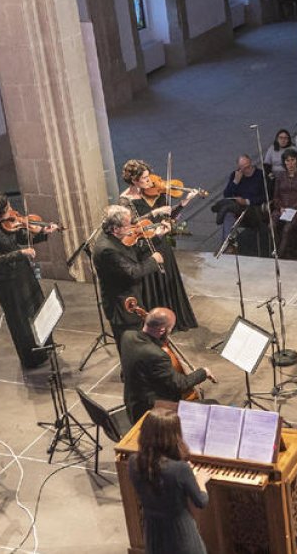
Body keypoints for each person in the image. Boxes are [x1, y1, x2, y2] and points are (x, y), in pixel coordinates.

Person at [0, 192, 57, 369]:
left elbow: (23, 238)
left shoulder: (10, 224)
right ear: (0, 213)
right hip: (9, 282)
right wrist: (21, 253)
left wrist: (44, 232)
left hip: (24, 273)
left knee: (38, 308)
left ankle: (46, 347)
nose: (13, 210)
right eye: (8, 208)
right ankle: (31, 358)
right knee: (20, 320)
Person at [119, 160, 199, 331]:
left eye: (149, 177)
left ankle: (172, 321)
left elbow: (167, 216)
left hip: (161, 242)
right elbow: (132, 224)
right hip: (146, 247)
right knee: (154, 285)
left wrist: (184, 202)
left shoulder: (152, 193)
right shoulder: (125, 200)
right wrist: (154, 212)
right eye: (145, 178)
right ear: (134, 180)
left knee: (167, 281)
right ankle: (156, 326)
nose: (150, 182)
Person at [127, 408, 212, 554]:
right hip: (180, 536)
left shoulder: (133, 461)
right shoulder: (180, 469)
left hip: (153, 532)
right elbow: (201, 501)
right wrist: (200, 480)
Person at [121, 307, 215, 422]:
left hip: (133, 402)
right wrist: (203, 372)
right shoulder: (157, 355)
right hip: (151, 411)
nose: (170, 331)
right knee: (212, 405)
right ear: (161, 330)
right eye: (170, 328)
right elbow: (180, 384)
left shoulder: (127, 336)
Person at [93, 205, 165, 347]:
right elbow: (132, 272)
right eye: (127, 225)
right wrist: (153, 261)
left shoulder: (112, 238)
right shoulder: (107, 249)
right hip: (122, 307)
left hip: (129, 300)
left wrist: (157, 237)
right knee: (130, 347)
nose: (131, 228)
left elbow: (131, 254)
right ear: (116, 229)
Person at [215, 154, 267, 244]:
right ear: (239, 168)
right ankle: (228, 244)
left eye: (249, 166)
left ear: (251, 163)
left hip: (252, 208)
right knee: (228, 214)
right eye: (244, 168)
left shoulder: (260, 175)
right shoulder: (236, 175)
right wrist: (235, 181)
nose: (248, 170)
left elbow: (264, 196)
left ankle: (219, 208)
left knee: (227, 208)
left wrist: (246, 201)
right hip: (237, 207)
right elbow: (227, 194)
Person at [272, 149, 297, 259]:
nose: (290, 163)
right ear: (284, 162)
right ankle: (282, 250)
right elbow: (275, 197)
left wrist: (293, 208)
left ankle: (279, 255)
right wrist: (280, 207)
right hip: (282, 209)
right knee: (272, 225)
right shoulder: (280, 176)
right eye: (287, 161)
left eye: (292, 160)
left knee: (287, 228)